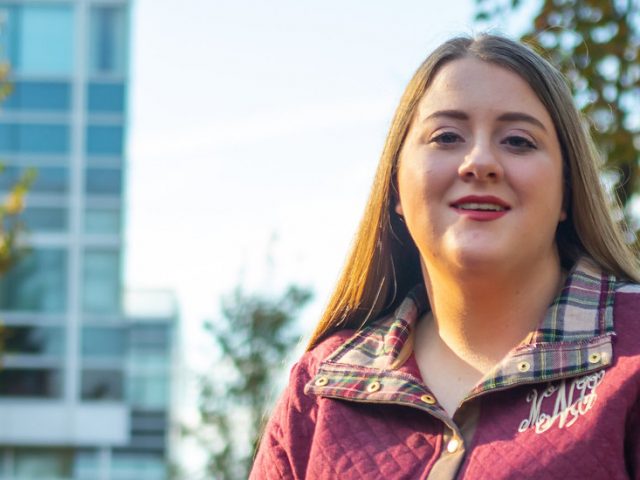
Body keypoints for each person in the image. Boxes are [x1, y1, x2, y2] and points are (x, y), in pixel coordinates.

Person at [250, 34, 640, 479]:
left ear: (567, 190)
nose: (479, 162)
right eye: (446, 136)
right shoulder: (318, 389)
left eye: (518, 141)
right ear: (396, 186)